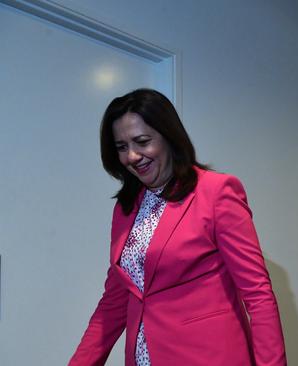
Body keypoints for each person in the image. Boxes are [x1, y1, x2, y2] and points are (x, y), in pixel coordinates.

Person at [69, 89, 286, 366]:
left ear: (169, 137)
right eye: (122, 147)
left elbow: (258, 295)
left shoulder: (216, 191)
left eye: (142, 141)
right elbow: (114, 300)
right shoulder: (125, 209)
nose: (132, 156)